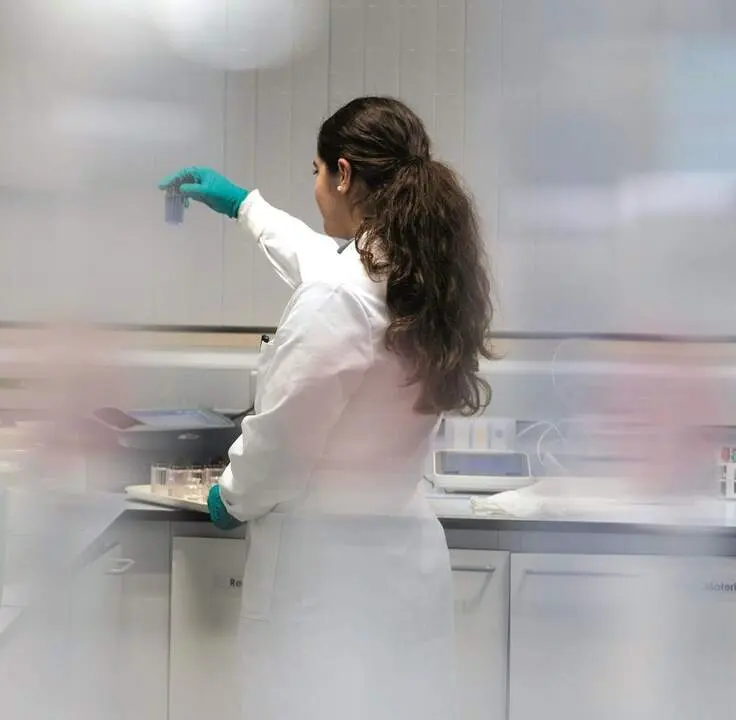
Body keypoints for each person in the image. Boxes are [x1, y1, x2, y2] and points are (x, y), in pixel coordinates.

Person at [159, 96, 495, 720]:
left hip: (326, 588)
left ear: (343, 174)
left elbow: (281, 443)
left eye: (315, 172)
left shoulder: (338, 301)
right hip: (401, 567)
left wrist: (229, 498)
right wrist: (245, 207)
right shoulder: (418, 275)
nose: (314, 187)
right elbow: (325, 262)